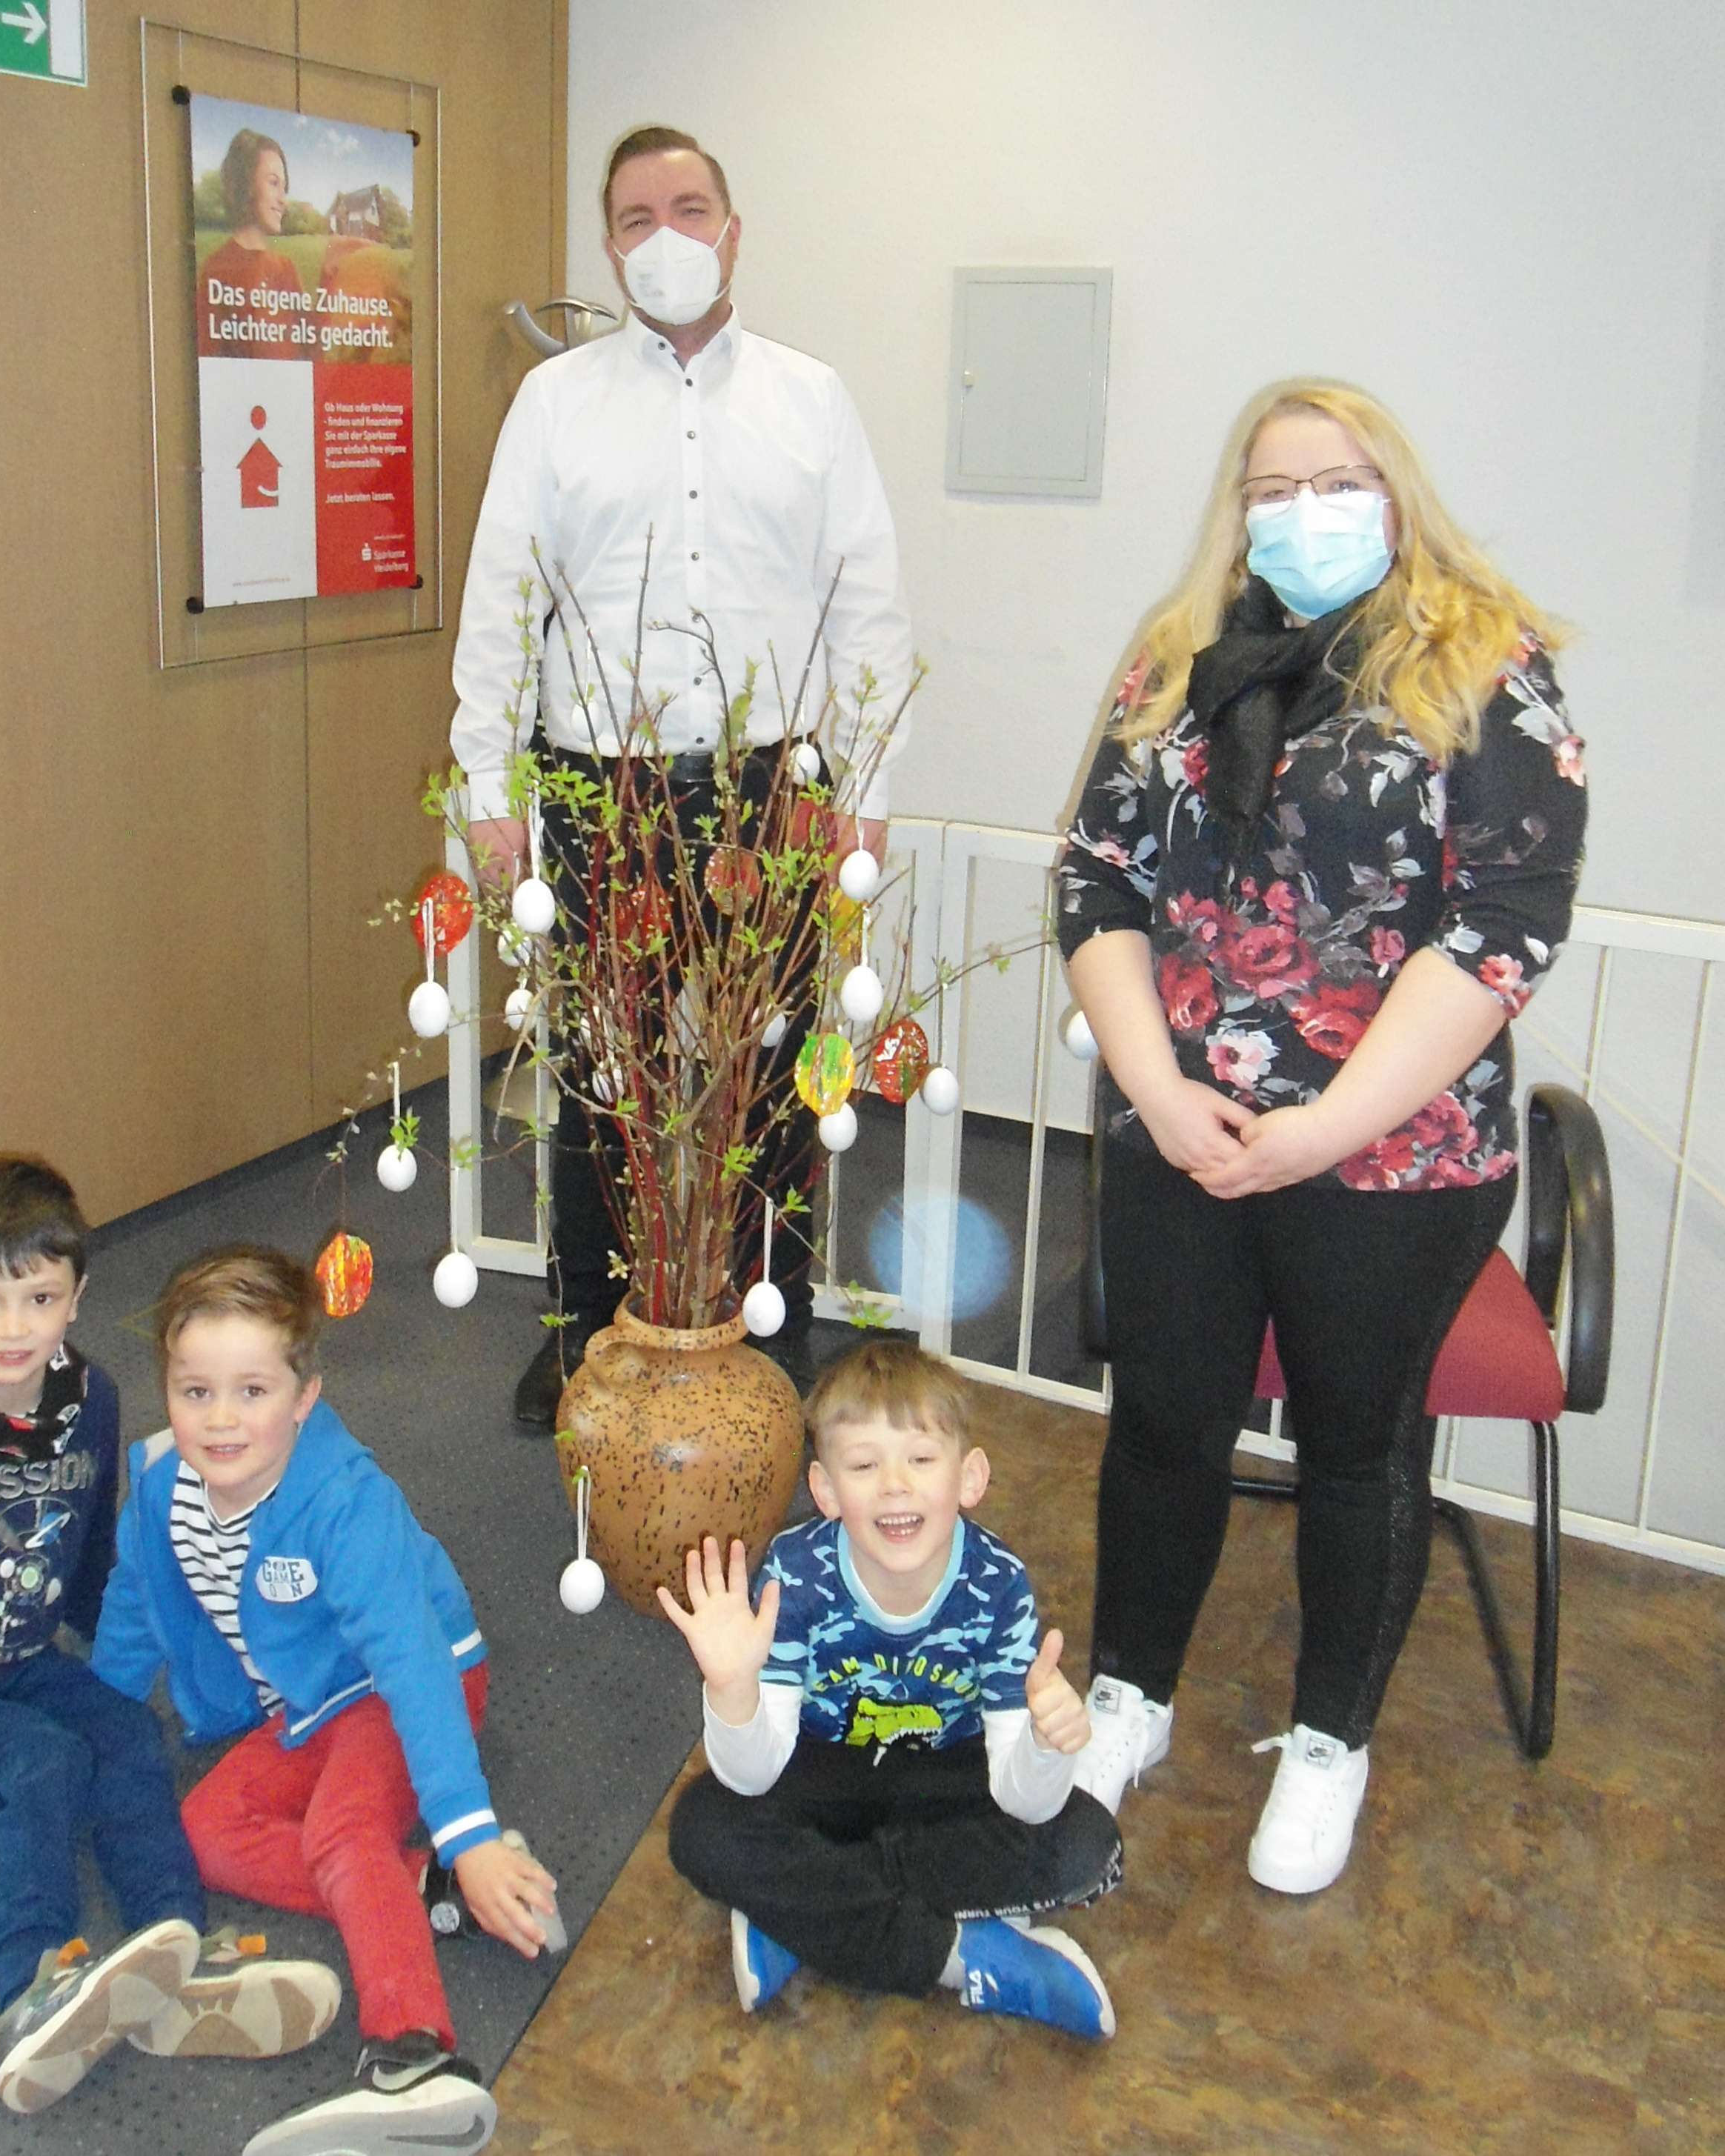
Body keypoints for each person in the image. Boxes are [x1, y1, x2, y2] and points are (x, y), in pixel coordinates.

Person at [1056, 378, 1589, 1894]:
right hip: (1178, 1127)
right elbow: (1093, 886)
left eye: (1335, 480)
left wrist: (1317, 1129)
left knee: (1357, 1448)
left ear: (1393, 491)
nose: (1302, 512)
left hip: (1391, 1157)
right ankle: (1127, 1696)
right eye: (1270, 488)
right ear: (1236, 512)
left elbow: (1497, 933)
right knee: (1164, 1424)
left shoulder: (1483, 665)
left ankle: (1324, 1743)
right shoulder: (1172, 661)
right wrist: (1159, 1092)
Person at [449, 124, 915, 1425]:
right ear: (607, 242)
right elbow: (501, 601)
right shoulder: (555, 404)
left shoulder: (811, 399)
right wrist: (487, 793)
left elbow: (866, 607)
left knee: (768, 1074)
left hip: (772, 792)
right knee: (604, 1071)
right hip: (602, 793)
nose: (662, 235)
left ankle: (774, 1333)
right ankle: (588, 1332)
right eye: (634, 216)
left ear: (732, 226)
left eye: (688, 206)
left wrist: (861, 798)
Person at [0, 1157, 335, 2115]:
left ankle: (176, 1951)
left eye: (37, 1296)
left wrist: (154, 1653)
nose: (10, 1326)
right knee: (37, 1757)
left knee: (123, 1726)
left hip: (14, 1661)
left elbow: (87, 1556)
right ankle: (34, 1988)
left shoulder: (93, 1404)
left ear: (76, 1295)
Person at [90, 1245, 557, 2156]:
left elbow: (412, 1660)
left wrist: (467, 1829)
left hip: (407, 1683)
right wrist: (93, 1722)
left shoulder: (346, 1503)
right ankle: (415, 1888)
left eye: (253, 1392)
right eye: (195, 1393)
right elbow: (135, 1608)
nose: (221, 1421)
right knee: (203, 1831)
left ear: (304, 1396)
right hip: (303, 1707)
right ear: (168, 1391)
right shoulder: (157, 1494)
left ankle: (415, 2056)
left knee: (343, 1835)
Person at [660, 1340, 1121, 2037]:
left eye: (921, 1459)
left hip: (952, 1780)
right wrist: (732, 1689)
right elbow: (751, 1778)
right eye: (864, 1465)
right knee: (702, 1827)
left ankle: (803, 1912)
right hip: (824, 1776)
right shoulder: (795, 1574)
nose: (894, 1485)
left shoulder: (997, 1585)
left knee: (1087, 1845)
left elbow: (1021, 1799)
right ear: (824, 1491)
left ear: (969, 1477)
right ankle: (958, 1958)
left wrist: (1049, 1748)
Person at [196, 127, 308, 358]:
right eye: (273, 183)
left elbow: (310, 356)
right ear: (246, 184)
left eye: (284, 188)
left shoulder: (286, 269)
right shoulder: (217, 270)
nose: (283, 200)